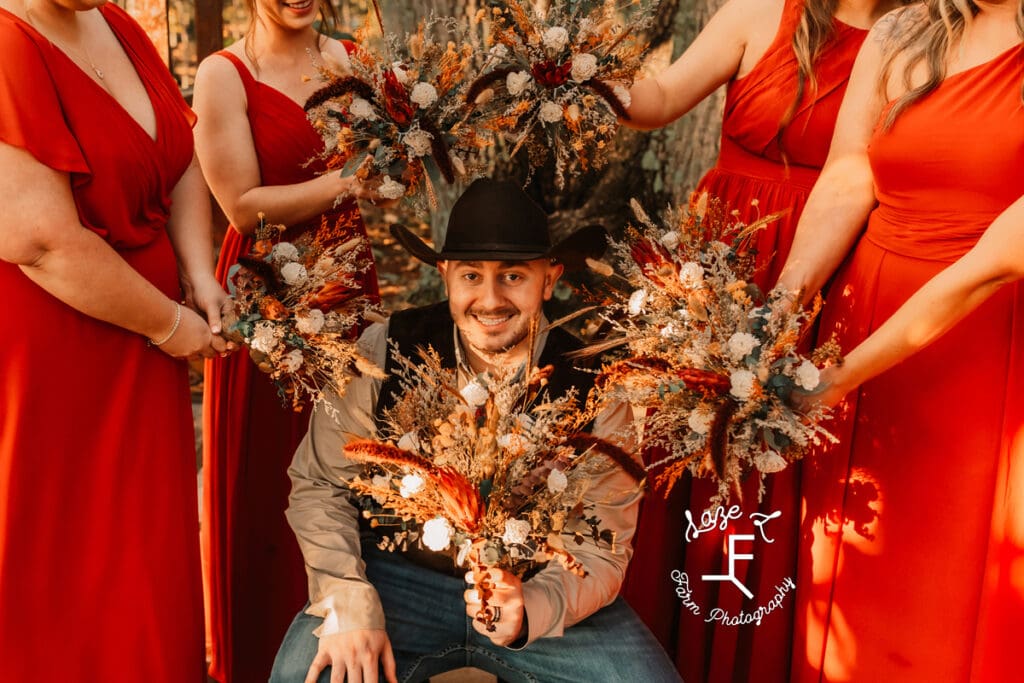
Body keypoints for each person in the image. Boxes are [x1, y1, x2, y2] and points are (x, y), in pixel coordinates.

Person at [268, 178, 682, 683]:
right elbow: (321, 483)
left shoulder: (598, 380)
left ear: (548, 280)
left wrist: (533, 604)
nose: (489, 300)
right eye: (470, 276)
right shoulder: (384, 348)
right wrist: (347, 598)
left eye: (512, 276)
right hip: (399, 579)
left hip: (536, 583)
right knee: (300, 677)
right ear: (445, 277)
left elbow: (602, 544)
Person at [618, 0, 901, 678]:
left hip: (833, 273)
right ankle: (661, 646)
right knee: (689, 462)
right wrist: (576, 68)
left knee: (785, 472)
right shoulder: (760, 12)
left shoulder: (917, 37)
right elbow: (657, 99)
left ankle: (760, 657)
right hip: (723, 262)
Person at [774, 0, 1023, 678]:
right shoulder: (899, 31)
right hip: (861, 334)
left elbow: (993, 265)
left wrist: (838, 379)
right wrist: (779, 311)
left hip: (984, 354)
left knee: (951, 592)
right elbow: (850, 176)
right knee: (846, 573)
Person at [0, 0, 228, 680]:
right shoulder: (9, 45)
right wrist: (169, 324)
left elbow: (179, 156)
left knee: (146, 558)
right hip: (59, 357)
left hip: (148, 345)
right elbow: (39, 242)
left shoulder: (119, 26)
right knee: (68, 565)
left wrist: (198, 271)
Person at [192, 0, 385, 679]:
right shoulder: (224, 75)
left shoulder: (350, 59)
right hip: (271, 286)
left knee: (352, 460)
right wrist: (347, 182)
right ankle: (264, 653)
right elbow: (241, 204)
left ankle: (355, 647)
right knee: (273, 473)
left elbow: (391, 156)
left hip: (351, 276)